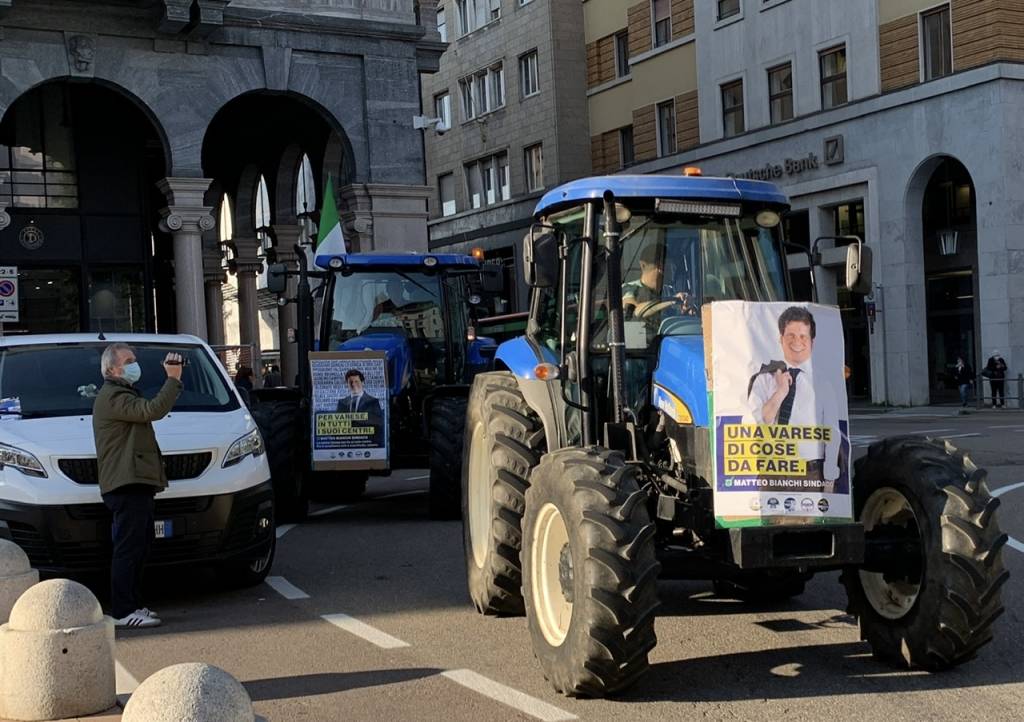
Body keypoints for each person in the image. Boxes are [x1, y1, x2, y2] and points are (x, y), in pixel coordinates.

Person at [92, 344, 183, 629]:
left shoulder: (122, 394)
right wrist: (173, 378)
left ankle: (133, 603)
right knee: (129, 548)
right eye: (129, 361)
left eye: (134, 360)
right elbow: (152, 410)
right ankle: (122, 610)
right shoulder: (113, 396)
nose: (135, 365)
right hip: (125, 482)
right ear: (112, 369)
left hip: (134, 481)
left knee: (140, 545)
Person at [746, 306, 842, 486]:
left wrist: (829, 476)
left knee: (811, 516)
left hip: (811, 474)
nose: (797, 342)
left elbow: (832, 433)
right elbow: (758, 421)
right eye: (790, 336)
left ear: (812, 342)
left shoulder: (823, 384)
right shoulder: (764, 378)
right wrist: (781, 391)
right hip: (771, 470)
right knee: (769, 516)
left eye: (803, 336)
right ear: (780, 339)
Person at [622, 245, 695, 321]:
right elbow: (635, 311)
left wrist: (686, 310)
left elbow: (675, 316)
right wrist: (672, 300)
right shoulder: (629, 289)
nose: (674, 269)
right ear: (661, 267)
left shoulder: (669, 291)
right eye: (672, 265)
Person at [336, 369, 384, 444]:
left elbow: (379, 423)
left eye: (356, 381)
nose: (353, 384)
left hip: (368, 442)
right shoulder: (341, 403)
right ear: (347, 384)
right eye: (350, 382)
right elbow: (337, 425)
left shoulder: (373, 401)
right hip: (346, 443)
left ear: (362, 382)